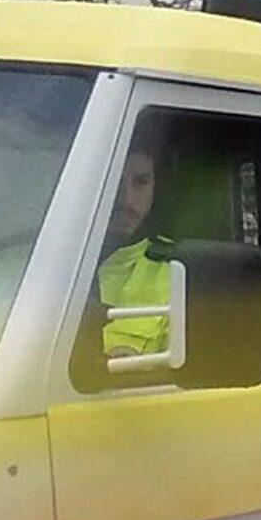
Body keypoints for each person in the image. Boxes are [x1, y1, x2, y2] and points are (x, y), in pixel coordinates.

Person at [95, 142, 174, 359]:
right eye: (112, 182)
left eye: (141, 182)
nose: (126, 200)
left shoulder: (178, 268)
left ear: (156, 189)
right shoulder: (30, 263)